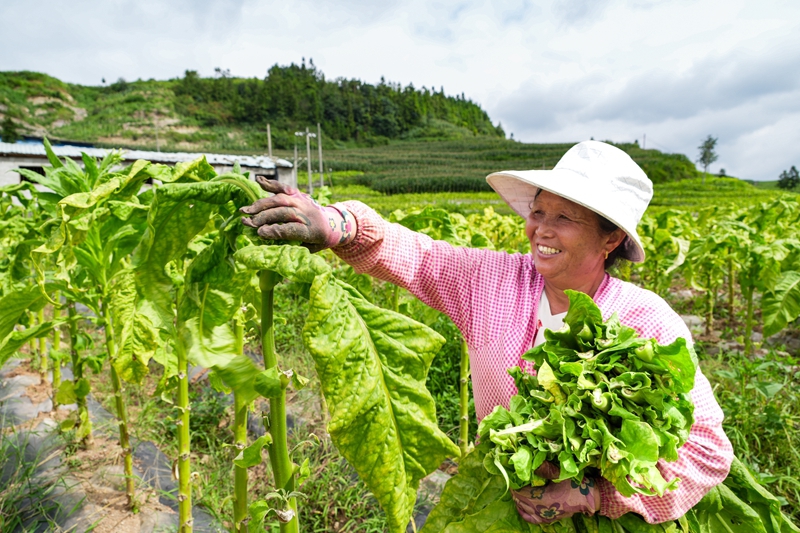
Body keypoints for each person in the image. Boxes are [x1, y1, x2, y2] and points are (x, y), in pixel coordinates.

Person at [240, 140, 733, 524]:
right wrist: (334, 224)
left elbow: (708, 452)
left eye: (565, 218)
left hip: (604, 521)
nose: (541, 228)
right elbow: (422, 258)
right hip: (497, 496)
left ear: (612, 238)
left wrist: (590, 495)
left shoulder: (645, 322)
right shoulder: (496, 282)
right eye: (538, 211)